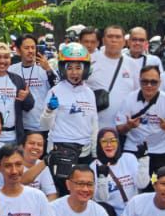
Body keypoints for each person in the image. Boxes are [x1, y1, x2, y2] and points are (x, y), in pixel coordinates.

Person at [41, 42, 100, 183]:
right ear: (63, 69)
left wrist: (95, 153)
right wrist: (49, 110)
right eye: (70, 68)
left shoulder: (89, 93)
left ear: (85, 69)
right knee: (62, 190)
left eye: (78, 68)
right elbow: (44, 126)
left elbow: (94, 124)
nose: (74, 72)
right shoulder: (55, 91)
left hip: (84, 153)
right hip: (61, 152)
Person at [117, 65, 165, 172]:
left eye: (153, 82)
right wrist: (128, 126)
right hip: (133, 148)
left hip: (159, 150)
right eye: (145, 81)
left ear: (159, 83)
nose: (149, 85)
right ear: (139, 81)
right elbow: (119, 129)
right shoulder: (129, 99)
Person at [88, 25, 139, 125]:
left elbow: (137, 94)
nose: (114, 40)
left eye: (118, 37)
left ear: (124, 42)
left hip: (123, 126)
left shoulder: (132, 65)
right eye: (110, 36)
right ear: (103, 40)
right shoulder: (90, 61)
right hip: (94, 125)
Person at [13, 34, 55, 143]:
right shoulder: (12, 70)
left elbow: (58, 88)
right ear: (18, 51)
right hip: (22, 126)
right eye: (26, 48)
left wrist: (48, 70)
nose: (30, 51)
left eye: (33, 47)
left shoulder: (46, 68)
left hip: (43, 125)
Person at [92, 126, 141, 215]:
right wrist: (102, 179)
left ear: (118, 142)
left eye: (113, 141)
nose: (109, 145)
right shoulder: (94, 166)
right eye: (104, 141)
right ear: (99, 144)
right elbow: (100, 200)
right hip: (111, 215)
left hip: (133, 212)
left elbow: (142, 184)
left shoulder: (129, 158)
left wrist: (144, 162)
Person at [18, 131, 58, 199]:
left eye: (40, 145)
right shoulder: (13, 162)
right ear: (22, 147)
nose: (35, 147)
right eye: (31, 143)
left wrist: (46, 206)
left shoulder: (43, 165)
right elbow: (20, 182)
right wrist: (45, 161)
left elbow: (52, 194)